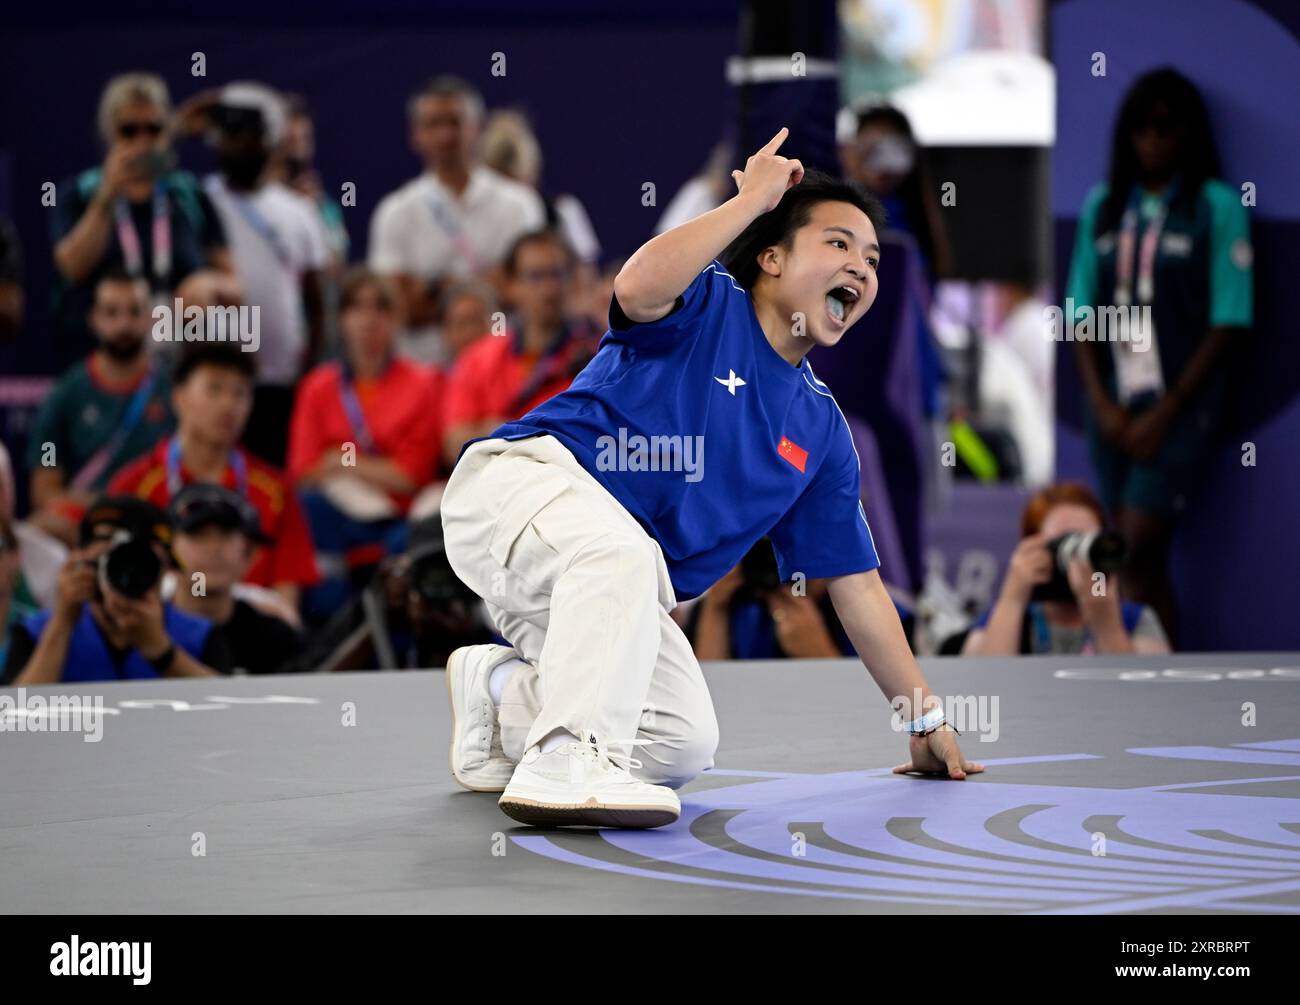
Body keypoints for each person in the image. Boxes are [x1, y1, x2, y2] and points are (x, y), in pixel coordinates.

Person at [439, 130, 983, 830]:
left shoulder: (819, 431)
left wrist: (923, 714)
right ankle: (565, 758)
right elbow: (634, 286)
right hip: (523, 489)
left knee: (678, 738)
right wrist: (750, 200)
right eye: (839, 244)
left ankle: (500, 694)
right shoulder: (709, 302)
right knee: (622, 553)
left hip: (610, 583)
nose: (862, 266)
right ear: (771, 256)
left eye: (872, 258)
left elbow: (857, 585)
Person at [1065, 68, 1252, 646]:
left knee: (1129, 545)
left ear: (1188, 134)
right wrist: (1102, 404)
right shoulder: (1105, 204)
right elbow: (1079, 310)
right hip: (1114, 406)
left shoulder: (1215, 205)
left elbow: (1229, 319)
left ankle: (1128, 667)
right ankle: (1156, 676)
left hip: (1180, 408)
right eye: (1141, 128)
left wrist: (1165, 413)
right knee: (1146, 561)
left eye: (1166, 128)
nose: (1153, 140)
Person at [109, 342, 320, 611]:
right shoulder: (133, 487)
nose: (228, 405)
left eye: (240, 393)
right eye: (214, 389)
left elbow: (286, 602)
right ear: (179, 397)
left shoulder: (276, 490)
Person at [51, 72, 238, 366]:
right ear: (108, 134)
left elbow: (238, 287)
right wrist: (108, 194)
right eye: (129, 131)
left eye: (154, 129)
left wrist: (209, 285)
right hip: (96, 366)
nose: (142, 141)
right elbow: (72, 267)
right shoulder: (80, 193)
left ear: (168, 133)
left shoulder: (189, 195)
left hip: (176, 366)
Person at [288, 269, 444, 618]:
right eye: (356, 307)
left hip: (398, 520)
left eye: (381, 308)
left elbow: (411, 475)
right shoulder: (318, 386)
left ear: (396, 319)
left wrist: (341, 461)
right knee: (305, 509)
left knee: (413, 542)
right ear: (341, 319)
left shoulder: (424, 382)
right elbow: (301, 472)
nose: (368, 320)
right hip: (336, 516)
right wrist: (379, 468)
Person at [367, 76, 546, 364]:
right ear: (415, 134)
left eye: (454, 122)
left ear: (477, 128)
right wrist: (490, 285)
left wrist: (432, 289)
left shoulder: (520, 204)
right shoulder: (395, 211)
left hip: (505, 374)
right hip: (427, 376)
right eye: (433, 125)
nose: (445, 136)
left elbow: (531, 293)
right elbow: (400, 308)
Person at [197, 81, 330, 467]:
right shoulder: (196, 201)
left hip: (281, 386)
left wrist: (307, 378)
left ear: (271, 141)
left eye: (248, 135)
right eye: (228, 134)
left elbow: (317, 303)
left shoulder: (299, 212)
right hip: (213, 380)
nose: (236, 145)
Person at [2, 496, 231, 684]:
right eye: (109, 562)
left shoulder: (199, 635)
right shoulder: (36, 632)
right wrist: (62, 623)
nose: (125, 577)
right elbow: (16, 719)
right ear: (79, 561)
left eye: (142, 566)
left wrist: (162, 651)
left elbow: (230, 710)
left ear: (165, 570)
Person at [27, 270, 173, 545]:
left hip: (157, 519)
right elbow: (46, 484)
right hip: (85, 522)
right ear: (93, 319)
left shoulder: (176, 392)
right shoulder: (64, 396)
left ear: (152, 319)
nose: (123, 324)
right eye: (111, 312)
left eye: (134, 312)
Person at [441, 230, 598, 467]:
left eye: (557, 274)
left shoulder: (596, 357)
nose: (549, 289)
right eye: (536, 276)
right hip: (487, 481)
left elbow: (589, 441)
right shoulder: (477, 357)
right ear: (510, 286)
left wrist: (495, 428)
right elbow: (455, 443)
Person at [960, 483, 1171, 656]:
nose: (1078, 560)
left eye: (1087, 542)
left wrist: (1106, 623)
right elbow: (985, 684)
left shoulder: (1134, 619)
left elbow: (1145, 694)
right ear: (1030, 547)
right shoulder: (1005, 619)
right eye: (1064, 541)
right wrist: (1012, 599)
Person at [168, 483, 303, 674]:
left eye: (225, 536)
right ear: (166, 551)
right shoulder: (133, 631)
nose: (213, 549)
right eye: (198, 535)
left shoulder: (276, 640)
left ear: (250, 554)